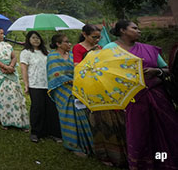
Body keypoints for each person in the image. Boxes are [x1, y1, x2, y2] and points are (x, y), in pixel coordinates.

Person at [104, 20, 177, 170]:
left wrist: (156, 71)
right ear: (123, 30)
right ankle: (144, 164)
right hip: (133, 98)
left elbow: (167, 69)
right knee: (140, 133)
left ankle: (163, 161)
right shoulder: (110, 49)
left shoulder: (148, 49)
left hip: (158, 96)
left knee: (165, 129)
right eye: (135, 28)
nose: (139, 31)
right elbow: (104, 72)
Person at [78, 24, 127, 167]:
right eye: (94, 37)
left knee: (118, 123)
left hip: (110, 94)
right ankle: (105, 155)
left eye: (99, 37)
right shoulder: (81, 54)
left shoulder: (103, 55)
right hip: (95, 96)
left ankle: (124, 153)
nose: (98, 40)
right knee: (101, 126)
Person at [47, 33, 93, 157]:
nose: (69, 44)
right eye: (66, 42)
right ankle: (72, 145)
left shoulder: (72, 55)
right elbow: (55, 74)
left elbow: (79, 69)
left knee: (81, 113)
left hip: (77, 88)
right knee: (68, 115)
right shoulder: (52, 57)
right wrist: (70, 80)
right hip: (62, 90)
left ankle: (85, 143)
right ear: (58, 44)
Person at [19, 31, 61, 143]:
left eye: (38, 38)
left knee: (51, 109)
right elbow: (24, 69)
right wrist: (26, 84)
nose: (36, 40)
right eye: (33, 38)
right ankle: (36, 133)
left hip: (48, 84)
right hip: (35, 84)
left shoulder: (46, 52)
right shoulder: (26, 52)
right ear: (28, 40)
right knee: (37, 108)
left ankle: (52, 132)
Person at [0, 26, 29, 130]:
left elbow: (13, 57)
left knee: (16, 95)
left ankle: (20, 121)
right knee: (4, 96)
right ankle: (7, 121)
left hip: (11, 72)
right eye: (0, 33)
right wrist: (5, 67)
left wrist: (11, 66)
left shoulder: (7, 45)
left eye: (3, 33)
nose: (3, 35)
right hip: (0, 73)